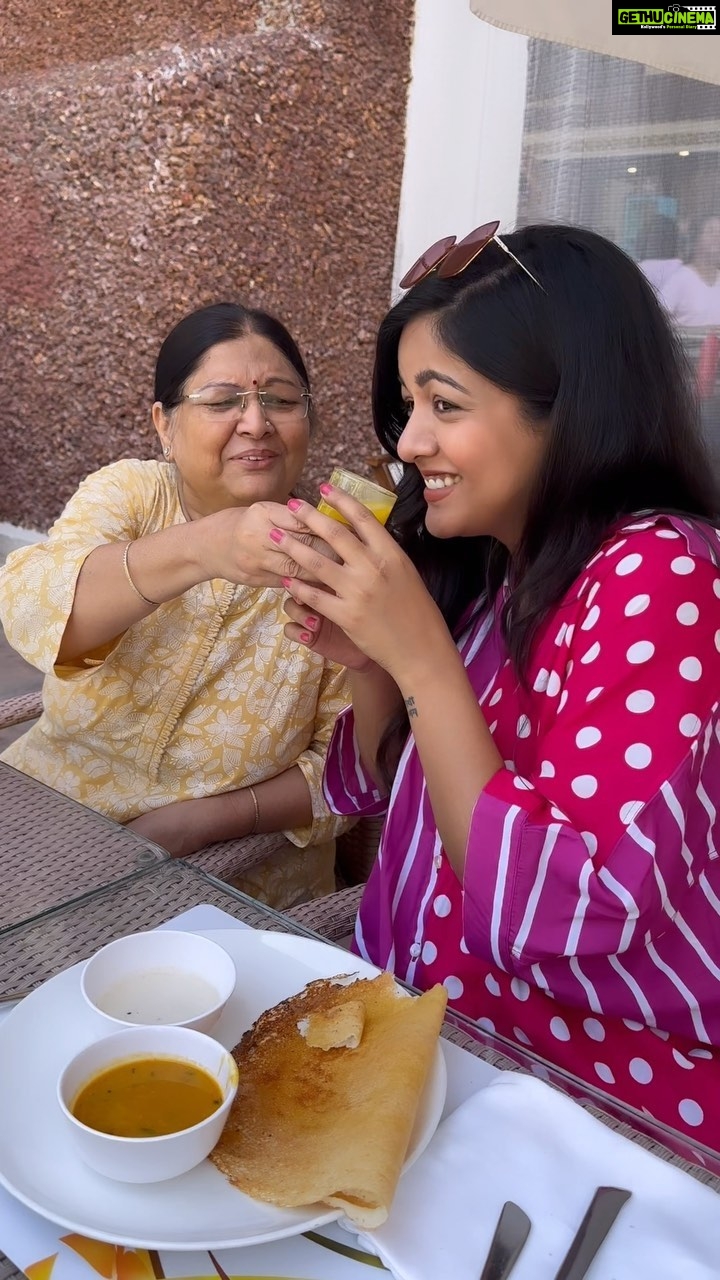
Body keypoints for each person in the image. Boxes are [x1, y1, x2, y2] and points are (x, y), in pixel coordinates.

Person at [269, 224, 720, 1143]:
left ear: (571, 406)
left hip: (580, 1100)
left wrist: (421, 656)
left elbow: (570, 903)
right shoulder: (500, 568)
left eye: (444, 403)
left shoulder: (661, 571)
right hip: (423, 1031)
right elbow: (392, 788)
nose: (411, 442)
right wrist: (374, 663)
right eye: (408, 404)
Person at [0, 302, 351, 908]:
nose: (255, 423)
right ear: (164, 425)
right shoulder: (132, 495)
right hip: (48, 827)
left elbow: (353, 774)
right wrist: (204, 546)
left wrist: (197, 823)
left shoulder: (338, 554)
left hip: (226, 882)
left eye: (280, 399)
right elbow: (36, 609)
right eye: (221, 402)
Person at [659, 214, 720, 326]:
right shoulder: (681, 278)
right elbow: (654, 319)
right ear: (696, 239)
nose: (717, 237)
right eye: (710, 231)